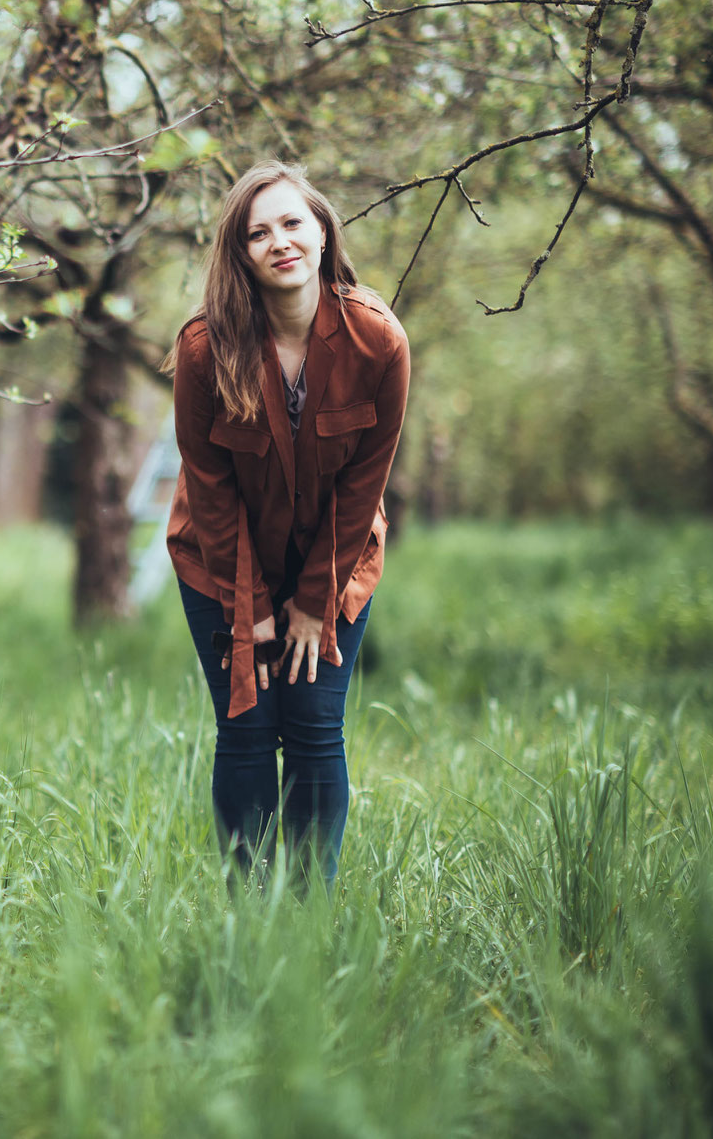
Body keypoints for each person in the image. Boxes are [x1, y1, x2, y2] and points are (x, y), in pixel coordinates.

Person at [163, 161, 409, 890]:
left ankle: (307, 917)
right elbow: (209, 488)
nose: (279, 242)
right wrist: (255, 611)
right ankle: (249, 915)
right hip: (217, 559)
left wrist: (309, 600)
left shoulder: (379, 342)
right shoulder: (206, 349)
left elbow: (365, 482)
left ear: (324, 231)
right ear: (239, 254)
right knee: (245, 722)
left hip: (335, 560)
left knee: (310, 722)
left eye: (292, 223)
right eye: (257, 232)